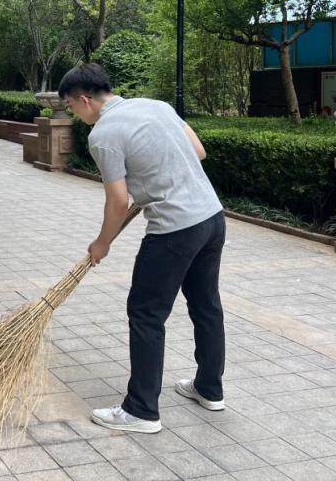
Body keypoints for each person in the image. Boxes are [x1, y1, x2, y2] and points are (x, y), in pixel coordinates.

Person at [59, 63, 225, 434]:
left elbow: (118, 201)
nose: (74, 113)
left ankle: (142, 411)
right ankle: (210, 389)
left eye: (70, 106)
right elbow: (198, 151)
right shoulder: (157, 105)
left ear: (84, 100)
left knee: (146, 314)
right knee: (206, 304)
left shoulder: (103, 134)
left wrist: (102, 243)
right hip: (212, 218)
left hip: (174, 230)